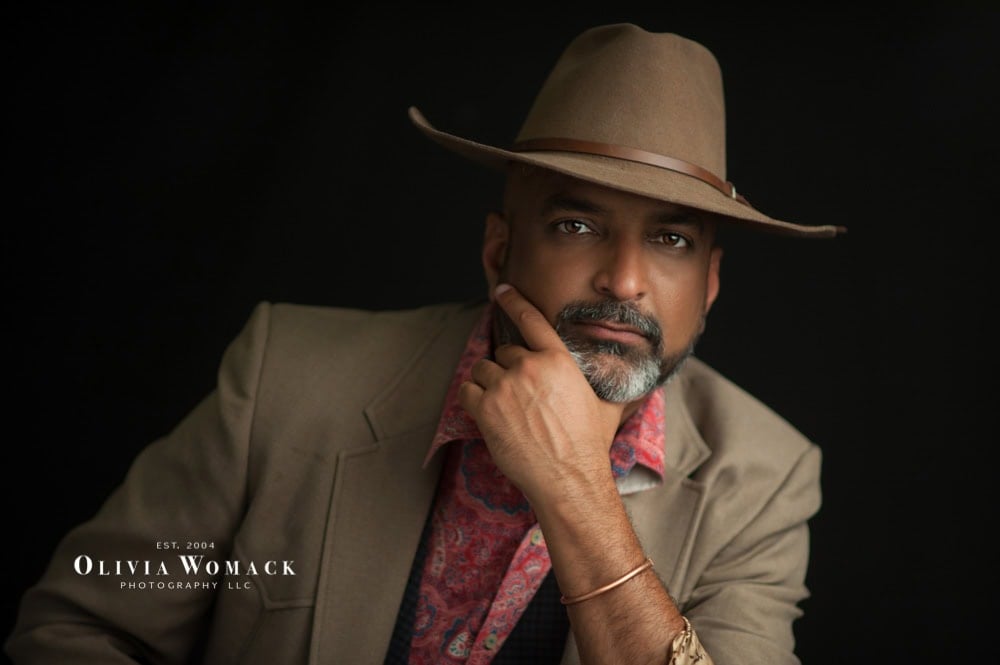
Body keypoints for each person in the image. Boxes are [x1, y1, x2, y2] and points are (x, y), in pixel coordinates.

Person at [6, 23, 844, 665]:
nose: (625, 280)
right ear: (498, 251)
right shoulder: (284, 380)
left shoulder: (763, 480)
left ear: (710, 285)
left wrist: (576, 489)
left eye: (670, 241)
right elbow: (79, 625)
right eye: (577, 222)